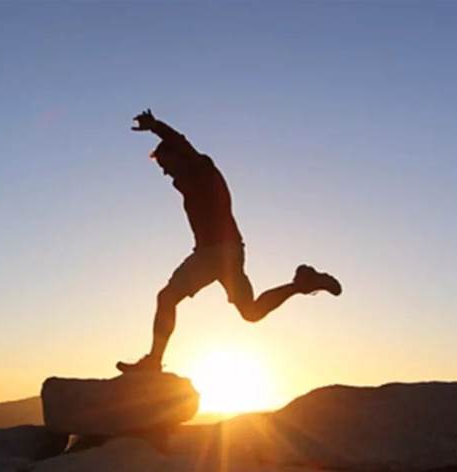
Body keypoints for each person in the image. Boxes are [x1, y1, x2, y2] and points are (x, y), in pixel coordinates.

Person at [117, 109, 342, 373]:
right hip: (229, 252)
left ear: (178, 157)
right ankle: (302, 284)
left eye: (165, 165)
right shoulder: (192, 178)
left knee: (166, 298)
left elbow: (180, 142)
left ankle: (154, 361)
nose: (165, 173)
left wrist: (156, 126)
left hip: (213, 253)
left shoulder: (201, 168)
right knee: (251, 312)